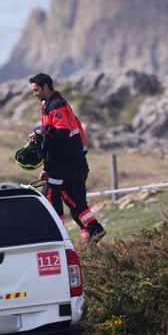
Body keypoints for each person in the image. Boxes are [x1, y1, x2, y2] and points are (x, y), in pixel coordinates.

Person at [29, 73, 106, 244]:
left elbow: (61, 132)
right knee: (74, 199)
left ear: (46, 87)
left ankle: (61, 236)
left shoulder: (56, 106)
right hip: (71, 162)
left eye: (36, 90)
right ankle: (89, 237)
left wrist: (39, 133)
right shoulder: (51, 105)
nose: (34, 93)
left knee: (52, 195)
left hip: (64, 163)